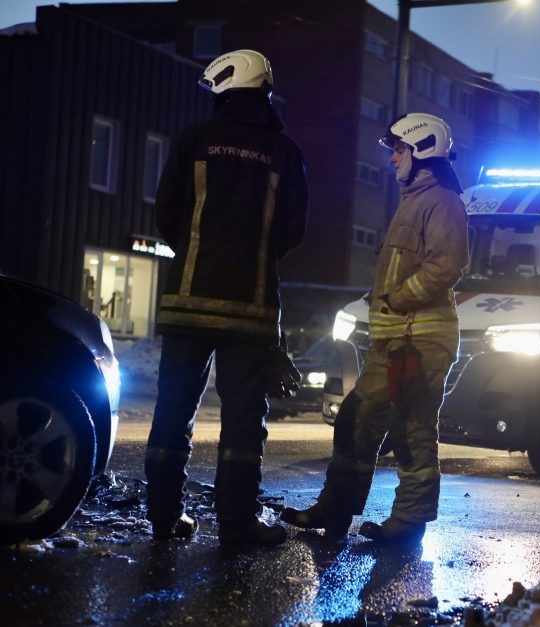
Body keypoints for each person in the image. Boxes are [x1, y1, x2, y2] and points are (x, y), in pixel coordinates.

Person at [145, 49, 308, 546]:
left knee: (173, 413)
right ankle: (237, 525)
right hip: (251, 312)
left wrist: (200, 252)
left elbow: (167, 213)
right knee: (242, 423)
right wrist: (251, 258)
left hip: (187, 304)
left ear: (224, 86)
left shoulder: (195, 141)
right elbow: (292, 232)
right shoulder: (285, 152)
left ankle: (165, 518)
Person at [282, 112, 468, 543]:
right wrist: (381, 302)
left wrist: (397, 298)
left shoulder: (441, 201)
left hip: (419, 341)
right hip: (398, 340)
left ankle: (406, 523)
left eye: (399, 151)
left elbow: (447, 264)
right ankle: (337, 510)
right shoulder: (415, 200)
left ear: (421, 151)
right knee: (356, 418)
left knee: (411, 428)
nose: (391, 160)